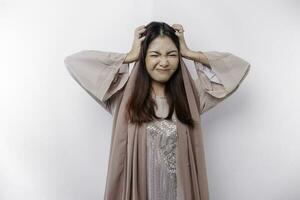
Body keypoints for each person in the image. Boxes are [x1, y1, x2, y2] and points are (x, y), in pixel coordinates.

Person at [64, 21, 250, 200]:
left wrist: (190, 53)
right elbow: (75, 62)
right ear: (143, 58)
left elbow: (237, 69)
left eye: (171, 54)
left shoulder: (192, 97)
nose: (164, 62)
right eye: (155, 54)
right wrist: (129, 56)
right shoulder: (121, 97)